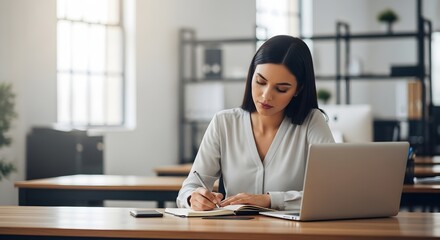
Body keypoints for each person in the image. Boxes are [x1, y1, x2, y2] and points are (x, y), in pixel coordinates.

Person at [177, 35, 335, 211]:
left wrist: (269, 200)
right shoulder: (224, 123)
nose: (266, 96)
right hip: (234, 234)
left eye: (281, 89)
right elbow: (188, 188)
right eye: (260, 81)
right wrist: (193, 198)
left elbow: (332, 193)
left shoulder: (312, 122)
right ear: (251, 75)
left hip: (290, 236)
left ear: (298, 89)